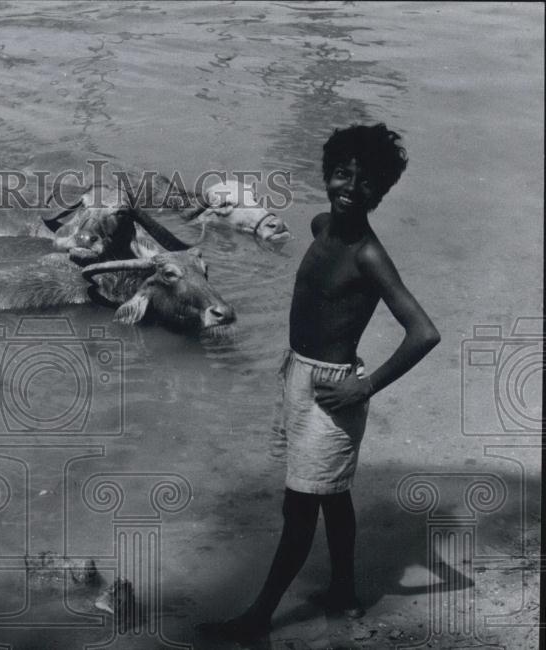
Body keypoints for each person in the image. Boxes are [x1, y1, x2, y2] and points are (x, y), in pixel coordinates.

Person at [207, 123, 441, 640]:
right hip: (297, 375)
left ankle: (258, 617)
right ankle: (342, 590)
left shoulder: (369, 255)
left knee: (299, 507)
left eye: (364, 182)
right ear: (327, 175)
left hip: (335, 394)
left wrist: (367, 386)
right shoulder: (319, 227)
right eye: (341, 175)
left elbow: (424, 333)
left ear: (379, 191)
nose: (349, 189)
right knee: (332, 495)